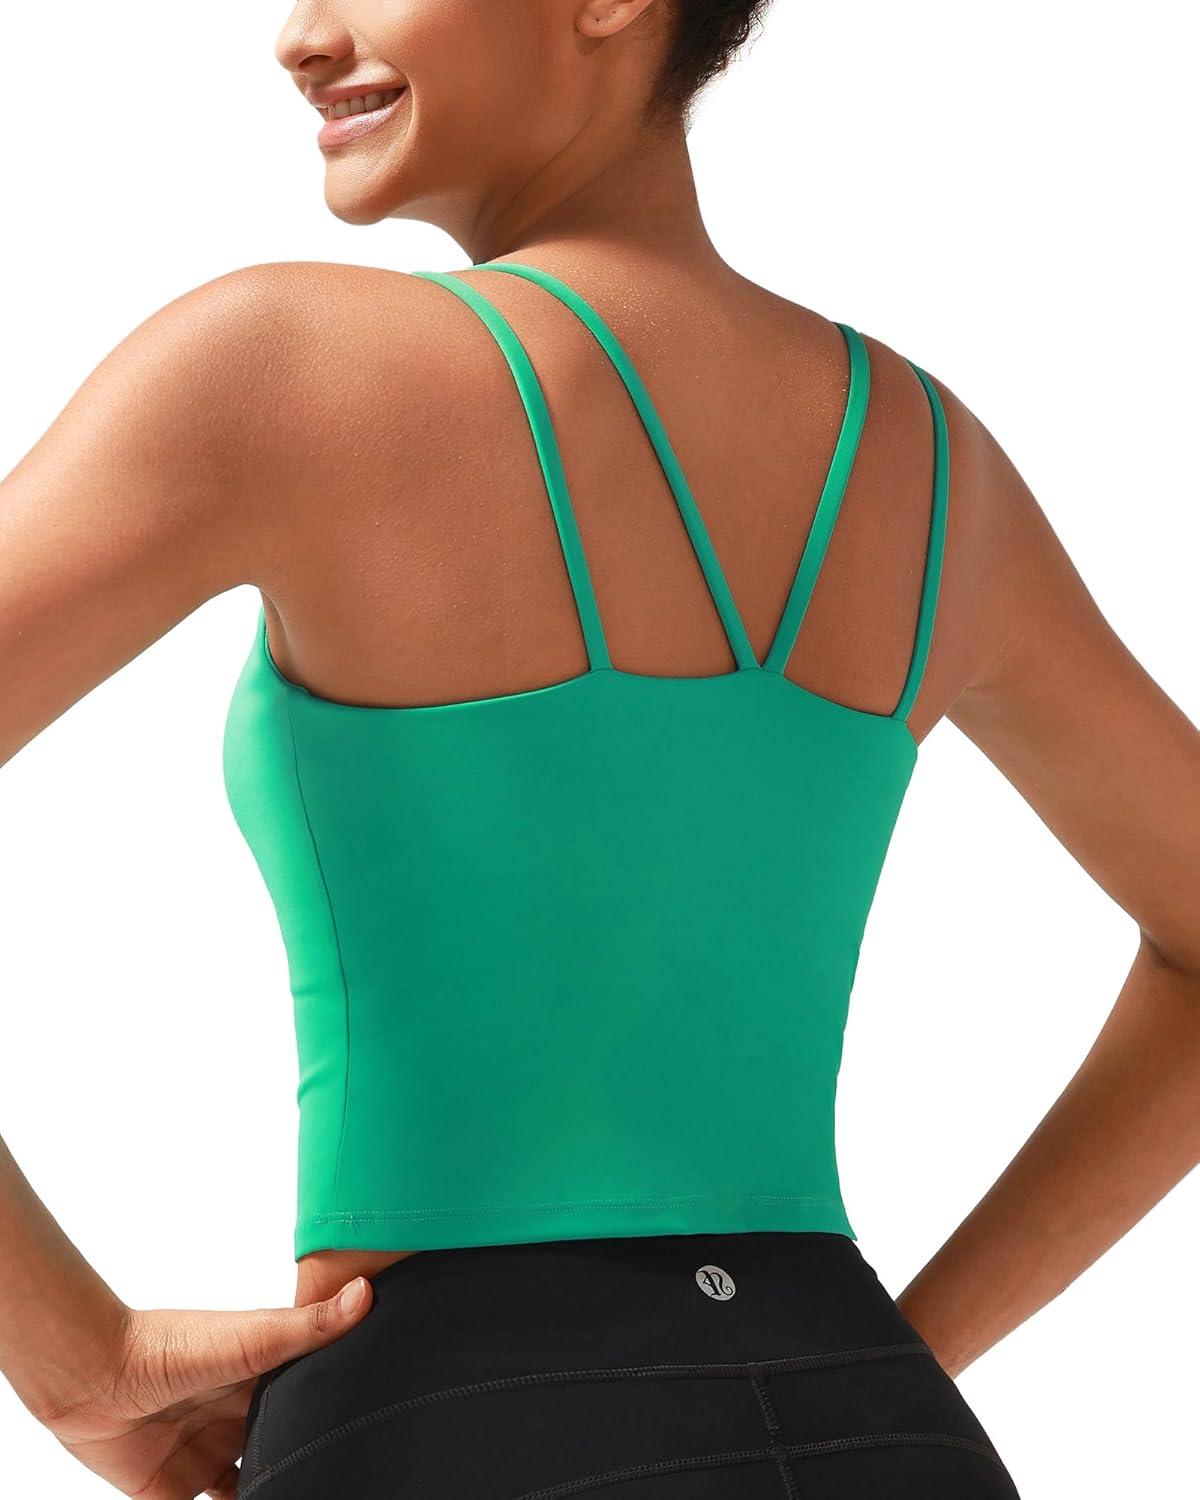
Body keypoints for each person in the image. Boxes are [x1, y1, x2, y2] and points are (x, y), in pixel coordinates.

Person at [1, 1, 1197, 1496]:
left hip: (448, 1424)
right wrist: (889, 1365)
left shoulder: (280, 365)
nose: (301, 35)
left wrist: (69, 1353)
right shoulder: (930, 461)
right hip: (880, 1429)